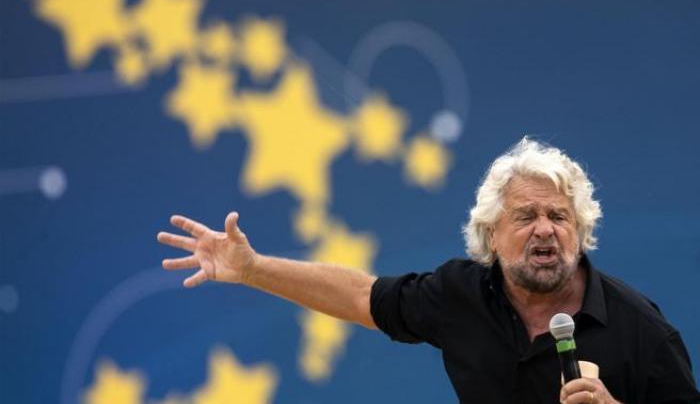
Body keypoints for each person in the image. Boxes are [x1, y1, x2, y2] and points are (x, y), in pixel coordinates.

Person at [157, 138, 700, 403]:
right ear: (491, 234)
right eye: (526, 216)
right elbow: (362, 297)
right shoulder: (460, 293)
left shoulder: (642, 332)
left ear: (579, 233)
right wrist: (252, 268)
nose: (544, 230)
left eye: (559, 217)